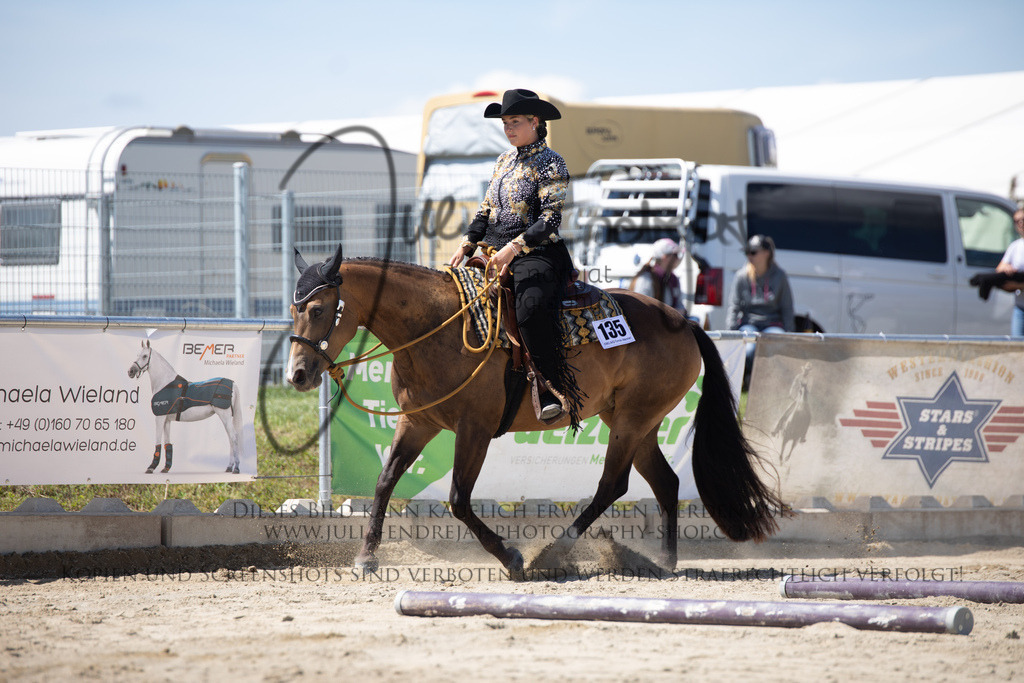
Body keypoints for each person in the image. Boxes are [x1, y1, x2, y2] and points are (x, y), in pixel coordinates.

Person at [447, 88, 580, 423]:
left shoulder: (552, 162)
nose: (508, 128)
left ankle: (550, 387)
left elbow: (550, 218)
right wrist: (467, 242)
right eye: (505, 122)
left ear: (536, 122)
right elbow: (487, 208)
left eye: (515, 121)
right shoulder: (503, 161)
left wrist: (515, 246)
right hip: (493, 251)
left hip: (539, 252)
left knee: (530, 306)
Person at [726, 234, 795, 383]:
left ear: (766, 253)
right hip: (749, 323)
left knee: (776, 347)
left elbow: (787, 308)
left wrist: (790, 336)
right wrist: (730, 334)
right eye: (747, 252)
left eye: (753, 252)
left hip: (772, 324)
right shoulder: (742, 276)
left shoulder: (779, 276)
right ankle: (747, 381)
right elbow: (734, 306)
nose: (749, 256)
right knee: (749, 351)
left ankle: (769, 383)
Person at [629, 237, 688, 316]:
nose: (678, 258)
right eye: (675, 255)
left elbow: (679, 305)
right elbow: (640, 309)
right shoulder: (646, 279)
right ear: (665, 257)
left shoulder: (673, 279)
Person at [995, 207, 1024, 336]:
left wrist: (1017, 285)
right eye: (1017, 221)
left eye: (1023, 220)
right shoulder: (1016, 246)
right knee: (1016, 348)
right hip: (1020, 306)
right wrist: (1006, 269)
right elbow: (999, 269)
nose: (1021, 224)